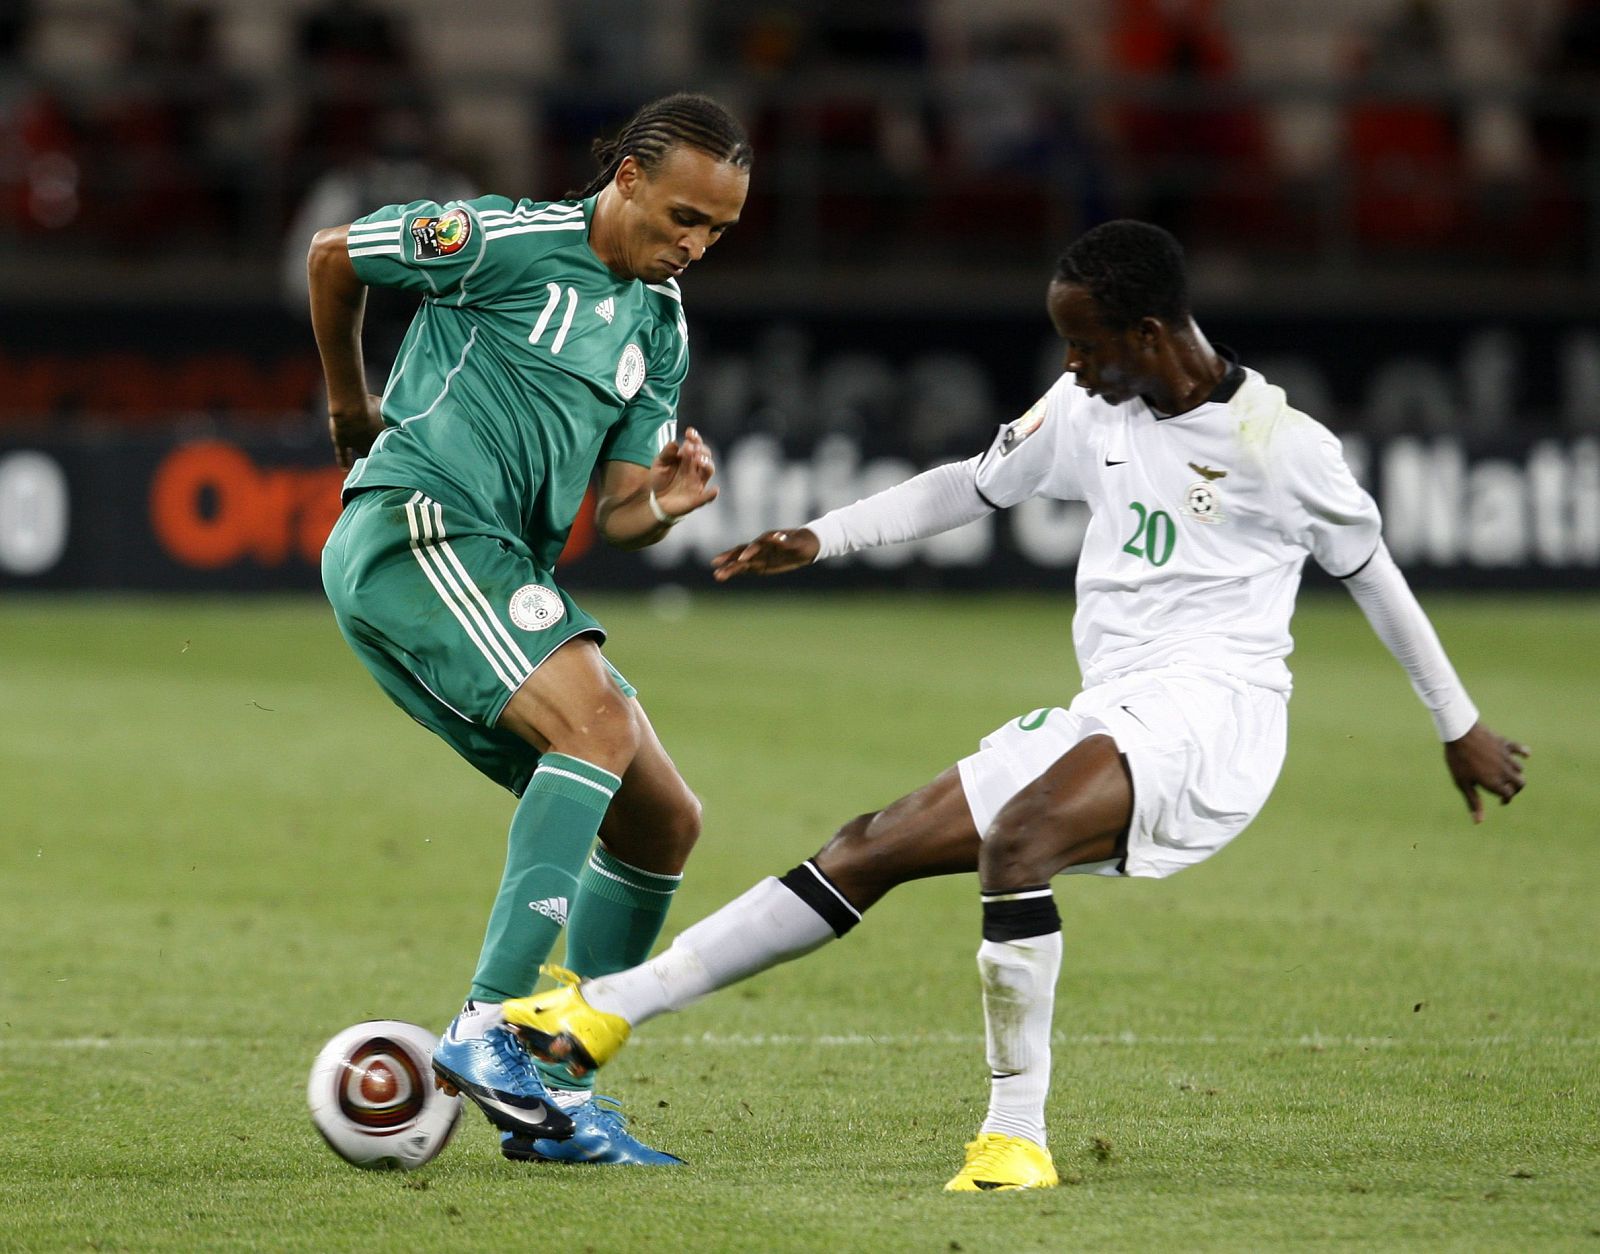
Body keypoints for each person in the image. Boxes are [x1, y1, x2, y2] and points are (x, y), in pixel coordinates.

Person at [498, 220, 1530, 1189]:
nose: (1070, 364)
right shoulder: (1088, 406)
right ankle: (608, 1011)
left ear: (1150, 333)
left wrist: (1458, 725)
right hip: (1113, 706)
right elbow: (971, 484)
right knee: (870, 844)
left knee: (1020, 840)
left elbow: (1374, 576)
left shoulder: (1279, 442)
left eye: (1084, 343)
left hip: (1216, 717)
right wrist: (821, 537)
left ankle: (1014, 1136)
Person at [309, 93, 751, 1166]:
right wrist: (349, 411)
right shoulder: (500, 240)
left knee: (663, 824)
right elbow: (332, 257)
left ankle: (545, 1096)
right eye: (683, 216)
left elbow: (622, 515)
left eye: (717, 232)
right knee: (594, 724)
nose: (693, 245)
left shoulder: (659, 322)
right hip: (418, 529)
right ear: (629, 179)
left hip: (500, 562)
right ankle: (487, 1027)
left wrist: (670, 506)